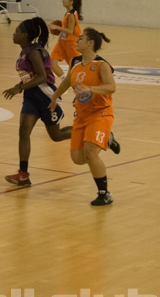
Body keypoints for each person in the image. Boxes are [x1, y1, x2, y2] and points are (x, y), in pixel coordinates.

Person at [48, 28, 120, 206]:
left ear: (90, 43)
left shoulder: (102, 65)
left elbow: (111, 87)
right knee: (78, 158)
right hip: (81, 115)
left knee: (90, 152)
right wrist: (55, 96)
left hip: (100, 113)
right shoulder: (75, 62)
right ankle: (108, 139)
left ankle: (104, 194)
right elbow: (67, 81)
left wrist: (90, 89)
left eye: (81, 39)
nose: (76, 41)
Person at [3, 17, 72, 186]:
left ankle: (90, 132)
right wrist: (20, 86)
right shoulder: (25, 51)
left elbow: (42, 77)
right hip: (31, 96)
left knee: (56, 136)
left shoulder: (34, 52)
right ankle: (23, 174)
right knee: (23, 132)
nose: (14, 34)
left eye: (17, 31)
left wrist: (19, 88)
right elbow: (30, 76)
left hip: (45, 96)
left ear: (25, 35)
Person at [48, 0, 83, 78]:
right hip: (61, 42)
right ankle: (64, 81)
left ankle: (84, 81)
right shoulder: (67, 13)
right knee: (52, 63)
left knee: (75, 68)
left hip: (70, 43)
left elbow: (70, 31)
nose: (62, 1)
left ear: (71, 2)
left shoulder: (71, 15)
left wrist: (56, 27)